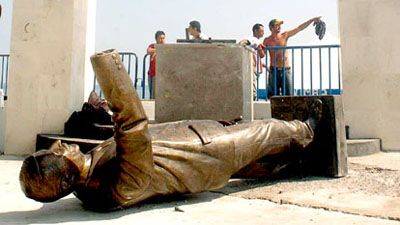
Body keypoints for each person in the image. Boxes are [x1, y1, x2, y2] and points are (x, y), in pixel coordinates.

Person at [19, 49, 322, 211]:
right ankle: (307, 131)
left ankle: (293, 158)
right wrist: (108, 69)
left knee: (264, 162)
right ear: (64, 175)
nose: (59, 145)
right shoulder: (117, 187)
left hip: (196, 140)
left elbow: (149, 138)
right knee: (265, 132)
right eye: (55, 153)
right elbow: (134, 126)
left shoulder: (91, 178)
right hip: (207, 151)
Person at [263, 17, 321, 98]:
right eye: (277, 25)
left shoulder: (285, 35)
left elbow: (299, 28)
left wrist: (312, 20)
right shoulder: (267, 40)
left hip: (286, 70)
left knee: (289, 96)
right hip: (274, 70)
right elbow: (262, 55)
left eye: (280, 25)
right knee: (272, 96)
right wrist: (260, 48)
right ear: (271, 27)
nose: (280, 27)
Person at [239, 24, 266, 100]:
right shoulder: (253, 39)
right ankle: (252, 104)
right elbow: (243, 42)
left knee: (252, 87)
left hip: (254, 69)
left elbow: (261, 56)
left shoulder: (257, 41)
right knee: (252, 89)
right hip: (251, 68)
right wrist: (240, 48)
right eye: (262, 31)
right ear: (256, 31)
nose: (263, 33)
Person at [146, 30, 166, 99]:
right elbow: (148, 51)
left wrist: (158, 51)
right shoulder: (152, 45)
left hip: (162, 75)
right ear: (156, 39)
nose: (162, 40)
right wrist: (158, 50)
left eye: (163, 38)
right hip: (153, 74)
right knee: (153, 96)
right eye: (160, 38)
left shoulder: (166, 47)